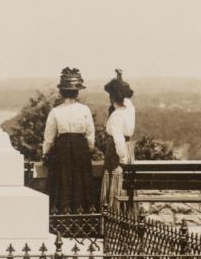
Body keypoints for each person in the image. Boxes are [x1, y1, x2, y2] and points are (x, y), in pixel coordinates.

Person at [42, 66, 96, 222]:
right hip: (80, 148)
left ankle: (61, 221)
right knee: (81, 181)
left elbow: (49, 137)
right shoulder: (84, 110)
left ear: (61, 92)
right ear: (77, 92)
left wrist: (45, 154)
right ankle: (82, 221)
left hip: (62, 149)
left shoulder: (55, 111)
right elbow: (90, 133)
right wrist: (88, 148)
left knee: (63, 182)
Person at [100, 70, 136, 211]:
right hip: (129, 148)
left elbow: (118, 140)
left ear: (112, 97)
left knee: (115, 182)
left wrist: (122, 158)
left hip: (117, 152)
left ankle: (113, 213)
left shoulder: (116, 116)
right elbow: (127, 101)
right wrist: (120, 80)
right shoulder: (130, 110)